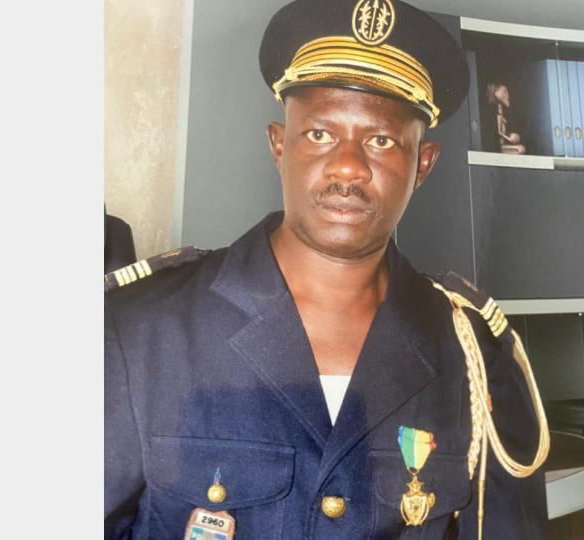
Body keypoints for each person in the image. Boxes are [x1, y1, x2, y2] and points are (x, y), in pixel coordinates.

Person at [105, 0, 549, 538]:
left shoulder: (473, 352)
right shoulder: (139, 327)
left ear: (423, 165)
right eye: (320, 133)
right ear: (279, 146)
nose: (348, 166)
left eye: (381, 140)